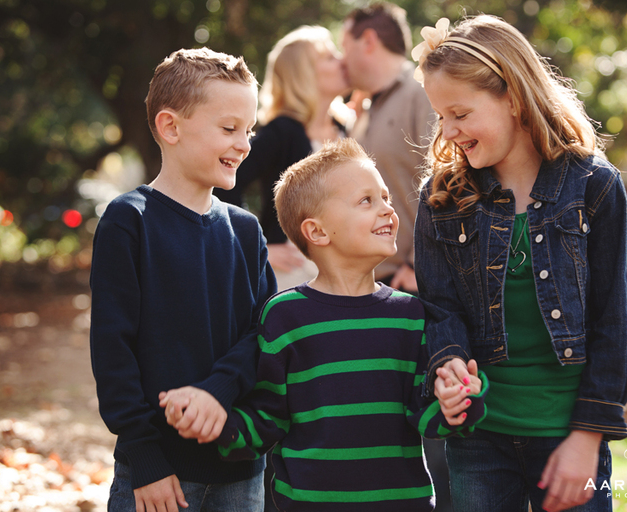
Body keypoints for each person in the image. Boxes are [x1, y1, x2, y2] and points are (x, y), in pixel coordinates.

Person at [412, 15, 627, 512]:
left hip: (568, 439)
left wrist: (587, 437)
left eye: (460, 114)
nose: (448, 132)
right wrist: (448, 367)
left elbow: (614, 324)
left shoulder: (594, 187)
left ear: (512, 98)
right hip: (479, 437)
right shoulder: (443, 197)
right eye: (440, 116)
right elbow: (440, 308)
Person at [212, 138, 487, 511]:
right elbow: (267, 416)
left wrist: (458, 404)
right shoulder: (284, 317)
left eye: (386, 198)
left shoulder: (410, 316)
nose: (388, 210)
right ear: (318, 232)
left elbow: (426, 416)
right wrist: (216, 426)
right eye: (366, 201)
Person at [89, 48, 276, 512]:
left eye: (248, 131)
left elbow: (265, 332)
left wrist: (217, 392)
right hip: (157, 476)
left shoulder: (246, 229)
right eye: (229, 129)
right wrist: (145, 457)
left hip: (242, 472)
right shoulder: (128, 221)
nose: (244, 144)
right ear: (171, 127)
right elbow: (112, 351)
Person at [214, 25, 349, 290]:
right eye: (330, 58)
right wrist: (257, 246)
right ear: (304, 74)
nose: (342, 61)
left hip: (341, 275)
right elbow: (224, 181)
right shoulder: (282, 131)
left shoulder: (344, 128)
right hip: (294, 275)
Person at [341, 2, 437, 293]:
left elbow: (446, 176)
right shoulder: (366, 109)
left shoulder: (423, 91)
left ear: (368, 41)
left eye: (345, 48)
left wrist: (417, 263)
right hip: (370, 286)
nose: (342, 60)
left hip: (410, 283)